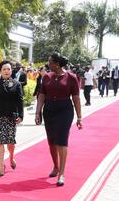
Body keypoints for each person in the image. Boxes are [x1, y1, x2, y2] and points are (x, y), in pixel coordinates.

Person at [35, 52, 83, 187]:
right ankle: (55, 166)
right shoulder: (46, 77)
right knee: (51, 142)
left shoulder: (71, 78)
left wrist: (79, 117)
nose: (48, 64)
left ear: (57, 64)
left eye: (50, 62)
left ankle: (62, 173)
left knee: (61, 140)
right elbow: (41, 95)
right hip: (49, 110)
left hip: (65, 111)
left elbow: (76, 98)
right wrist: (37, 112)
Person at [0, 60, 24, 176]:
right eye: (4, 69)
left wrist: (21, 116)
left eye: (8, 69)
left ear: (11, 70)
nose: (6, 71)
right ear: (0, 70)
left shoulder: (16, 84)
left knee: (10, 142)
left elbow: (20, 101)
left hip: (11, 117)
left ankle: (11, 157)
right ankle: (2, 165)